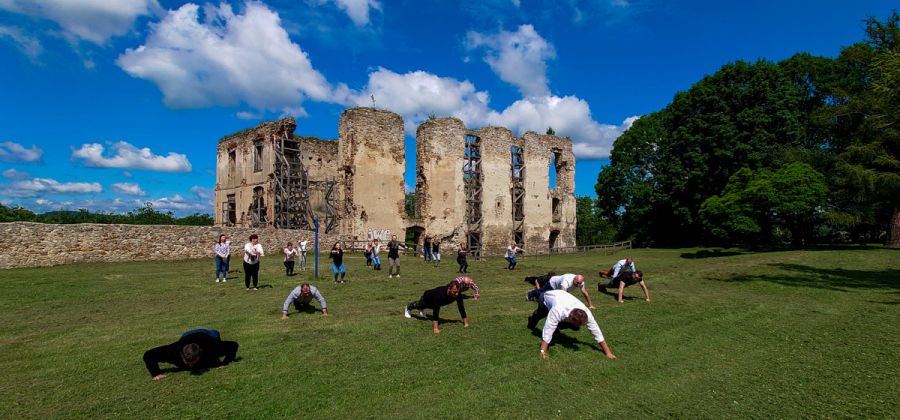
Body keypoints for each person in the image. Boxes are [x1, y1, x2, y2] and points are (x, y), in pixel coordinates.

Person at [527, 290, 616, 359]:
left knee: (574, 327)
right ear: (570, 317)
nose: (578, 326)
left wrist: (608, 352)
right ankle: (531, 320)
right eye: (577, 323)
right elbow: (548, 329)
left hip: (562, 297)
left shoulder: (586, 313)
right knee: (539, 315)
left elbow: (596, 330)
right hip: (546, 298)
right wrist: (543, 351)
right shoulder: (558, 310)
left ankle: (558, 327)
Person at [143, 329, 239, 381]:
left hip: (207, 334)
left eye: (193, 362)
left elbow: (233, 345)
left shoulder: (211, 348)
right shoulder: (172, 351)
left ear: (199, 355)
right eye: (187, 362)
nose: (190, 366)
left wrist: (225, 362)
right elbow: (148, 355)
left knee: (215, 334)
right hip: (187, 335)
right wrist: (156, 373)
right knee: (187, 334)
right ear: (181, 354)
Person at [404, 280, 470, 334]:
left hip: (437, 301)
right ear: (449, 289)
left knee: (429, 306)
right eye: (454, 292)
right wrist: (436, 328)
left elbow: (461, 307)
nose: (456, 294)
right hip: (427, 298)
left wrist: (466, 323)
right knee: (420, 305)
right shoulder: (439, 294)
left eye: (458, 292)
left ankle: (422, 309)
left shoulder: (458, 294)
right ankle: (408, 307)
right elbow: (436, 310)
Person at [526, 273, 595, 309]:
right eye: (577, 283)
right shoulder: (566, 281)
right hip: (552, 283)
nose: (578, 285)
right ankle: (529, 294)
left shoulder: (580, 282)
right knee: (541, 292)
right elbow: (562, 294)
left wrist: (590, 305)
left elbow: (584, 292)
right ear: (574, 279)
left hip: (560, 287)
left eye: (580, 283)